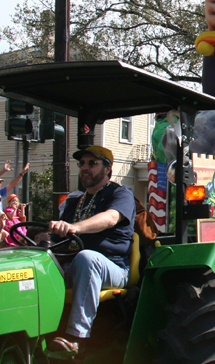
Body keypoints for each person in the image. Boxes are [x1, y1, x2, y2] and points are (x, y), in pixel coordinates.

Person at [46, 145, 136, 358]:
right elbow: (57, 238)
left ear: (107, 169)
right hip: (71, 264)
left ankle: (78, 338)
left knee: (87, 258)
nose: (85, 168)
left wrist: (75, 227)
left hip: (112, 266)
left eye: (92, 163)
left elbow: (110, 218)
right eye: (82, 163)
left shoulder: (120, 194)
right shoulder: (75, 201)